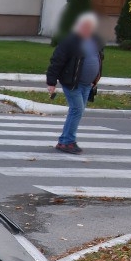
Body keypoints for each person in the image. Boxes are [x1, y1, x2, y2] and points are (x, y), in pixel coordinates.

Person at [46, 11, 103, 154]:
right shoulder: (70, 41)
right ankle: (67, 142)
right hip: (71, 82)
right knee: (77, 109)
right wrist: (51, 82)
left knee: (78, 110)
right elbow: (57, 61)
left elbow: (99, 58)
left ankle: (65, 140)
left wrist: (95, 78)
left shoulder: (94, 40)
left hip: (86, 84)